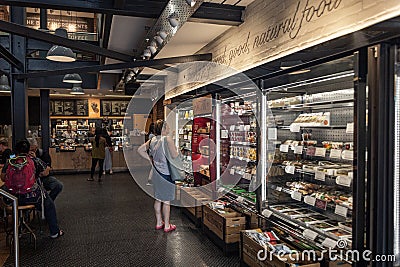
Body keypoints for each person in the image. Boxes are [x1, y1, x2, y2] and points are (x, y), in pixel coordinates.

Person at [1, 139, 64, 238]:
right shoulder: (33, 160)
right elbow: (45, 172)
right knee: (49, 203)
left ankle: (18, 226)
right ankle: (55, 232)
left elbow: (3, 177)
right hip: (31, 197)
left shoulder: (10, 161)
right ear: (28, 149)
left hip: (12, 198)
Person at [148, 120, 178, 233]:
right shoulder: (167, 139)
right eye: (168, 128)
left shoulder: (153, 140)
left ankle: (159, 222)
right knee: (166, 200)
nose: (169, 129)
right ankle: (167, 225)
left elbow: (143, 151)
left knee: (158, 199)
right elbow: (174, 155)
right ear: (164, 129)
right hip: (166, 173)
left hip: (157, 173)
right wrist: (178, 151)